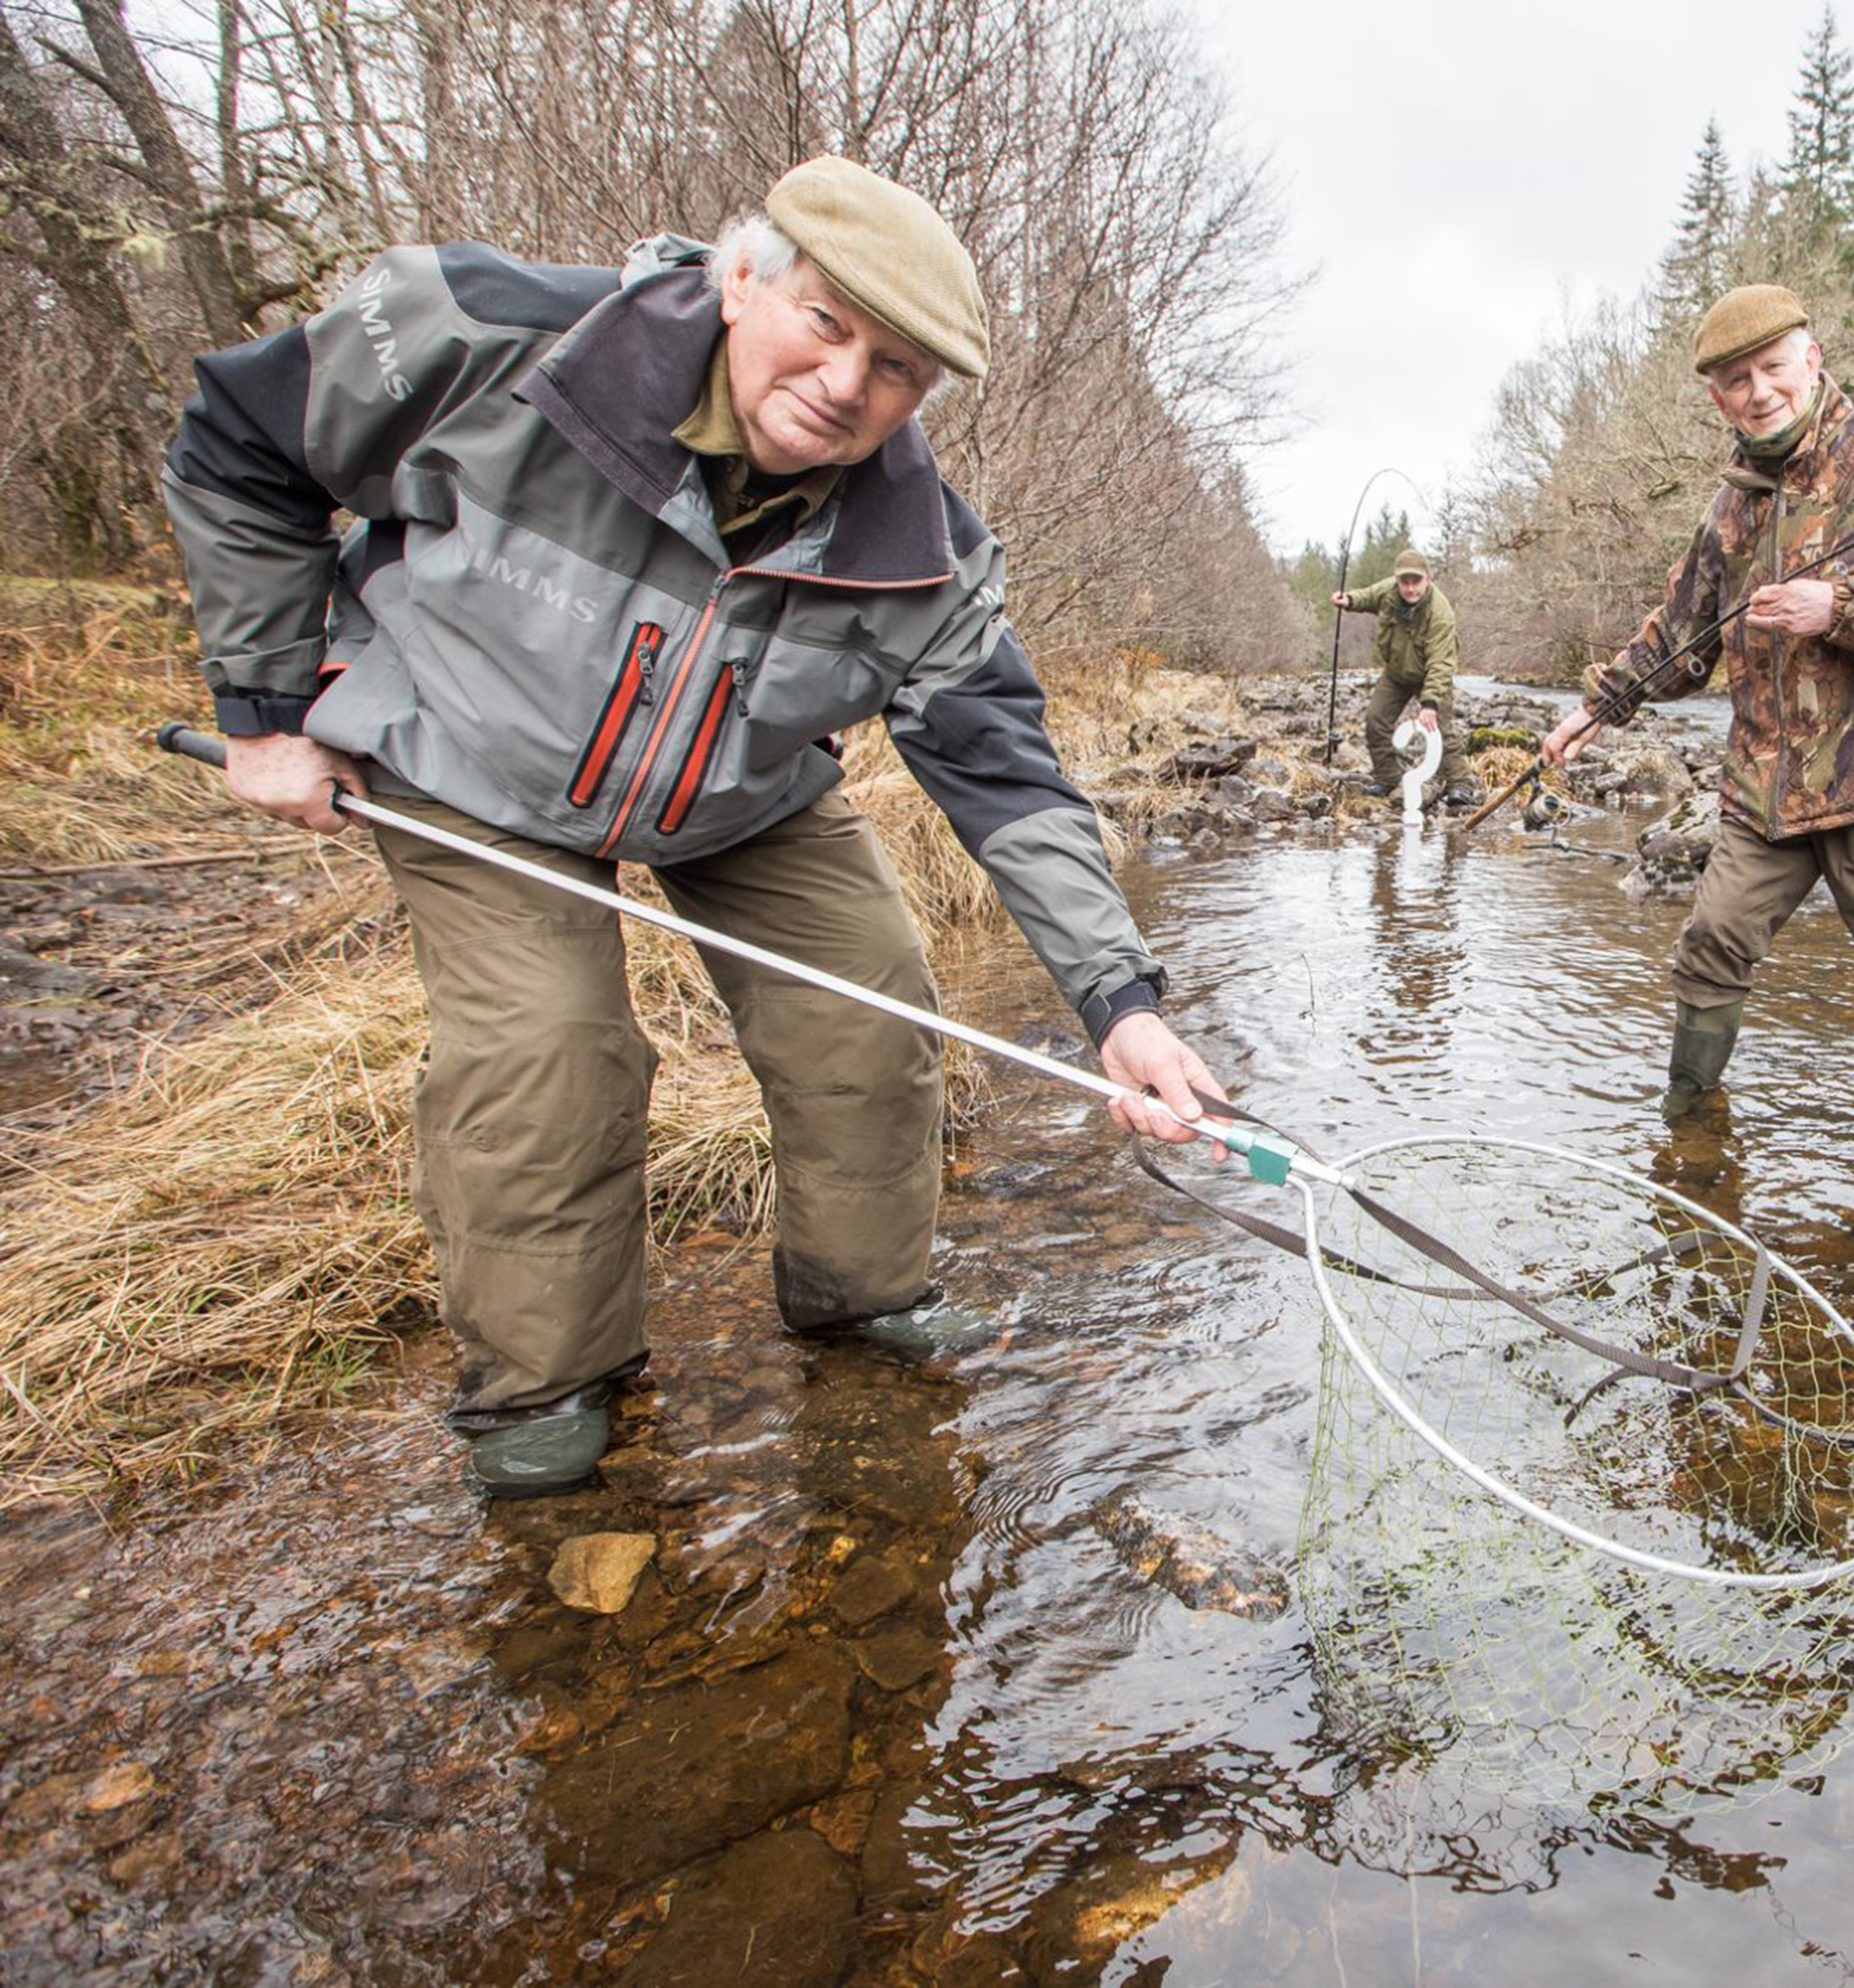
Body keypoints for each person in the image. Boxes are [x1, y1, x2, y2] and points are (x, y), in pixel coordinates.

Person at [161, 157, 1226, 1497]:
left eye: (895, 368)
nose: (846, 384)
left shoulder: (926, 555)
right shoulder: (488, 336)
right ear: (740, 278)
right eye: (827, 324)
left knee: (873, 1006)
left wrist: (1120, 1006)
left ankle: (861, 1297)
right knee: (550, 1052)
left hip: (741, 791)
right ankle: (549, 1382)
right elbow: (241, 437)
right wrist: (263, 711)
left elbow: (1006, 777)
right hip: (470, 762)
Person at [1540, 283, 1854, 1123]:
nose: (1760, 391)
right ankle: (1687, 1121)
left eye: (1772, 368)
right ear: (1716, 397)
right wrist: (1593, 711)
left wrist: (1844, 608)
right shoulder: (1733, 505)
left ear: (1811, 360)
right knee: (1710, 946)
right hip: (1764, 789)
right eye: (1737, 379)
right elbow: (1681, 632)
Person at [1331, 550, 1478, 807]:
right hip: (1396, 673)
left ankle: (1460, 784)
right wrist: (1349, 599)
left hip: (1429, 676)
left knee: (1441, 729)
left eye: (1416, 582)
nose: (1410, 588)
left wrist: (1430, 703)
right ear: (1396, 580)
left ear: (1428, 579)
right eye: (1404, 582)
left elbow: (1441, 663)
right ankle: (1388, 777)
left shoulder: (1440, 613)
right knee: (1375, 719)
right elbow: (1368, 596)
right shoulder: (1388, 591)